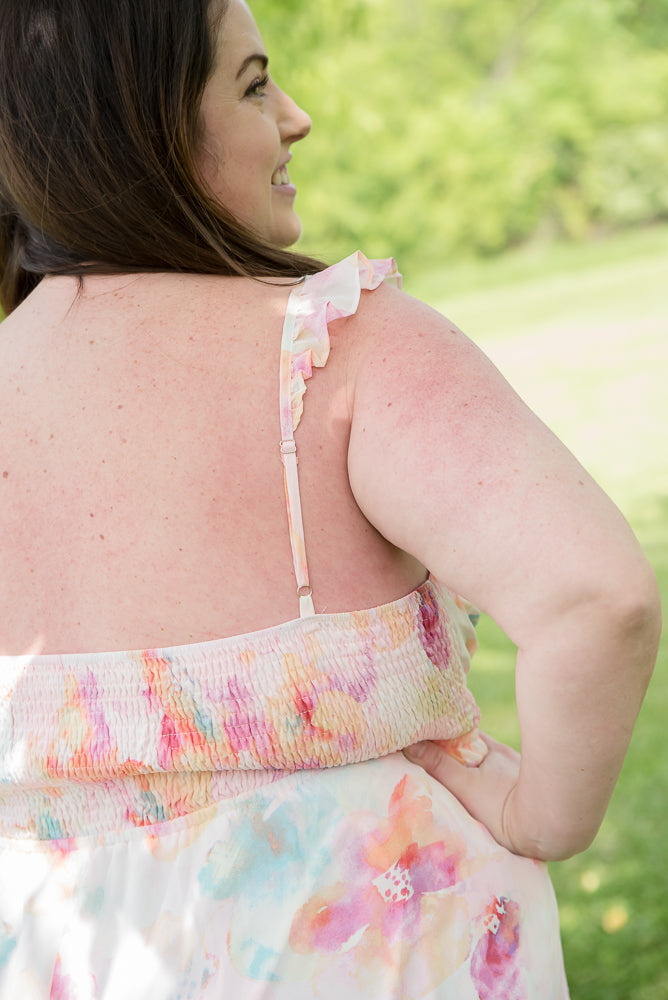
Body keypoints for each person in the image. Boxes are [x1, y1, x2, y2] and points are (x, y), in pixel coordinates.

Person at [0, 1, 660, 997]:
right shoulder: (330, 345)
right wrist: (543, 815)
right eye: (255, 84)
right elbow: (595, 596)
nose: (296, 116)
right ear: (143, 122)